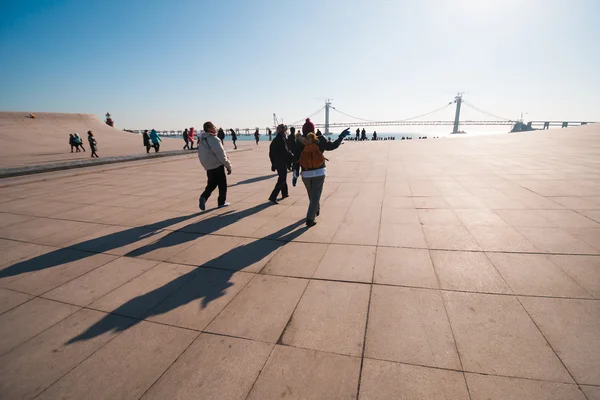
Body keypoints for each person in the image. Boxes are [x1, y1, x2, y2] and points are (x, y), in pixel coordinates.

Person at [294, 118, 350, 226]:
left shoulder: (299, 142)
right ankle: (310, 219)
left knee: (312, 194)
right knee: (316, 195)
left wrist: (295, 173)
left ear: (303, 130)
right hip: (319, 172)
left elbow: (296, 158)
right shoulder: (320, 140)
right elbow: (333, 146)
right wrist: (341, 136)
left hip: (305, 173)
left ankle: (316, 209)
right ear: (314, 130)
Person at [198, 121, 232, 210]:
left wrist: (205, 165)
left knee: (211, 184)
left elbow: (200, 154)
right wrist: (228, 166)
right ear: (209, 128)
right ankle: (222, 202)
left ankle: (204, 197)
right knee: (222, 184)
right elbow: (221, 154)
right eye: (214, 126)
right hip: (217, 165)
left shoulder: (202, 140)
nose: (215, 128)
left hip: (208, 166)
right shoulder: (213, 139)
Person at [269, 124, 294, 204]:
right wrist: (293, 156)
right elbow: (285, 151)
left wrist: (273, 163)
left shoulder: (275, 140)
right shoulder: (281, 140)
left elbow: (271, 153)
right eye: (285, 131)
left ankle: (285, 193)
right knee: (282, 179)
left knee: (283, 177)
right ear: (283, 131)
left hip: (277, 162)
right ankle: (273, 196)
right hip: (281, 162)